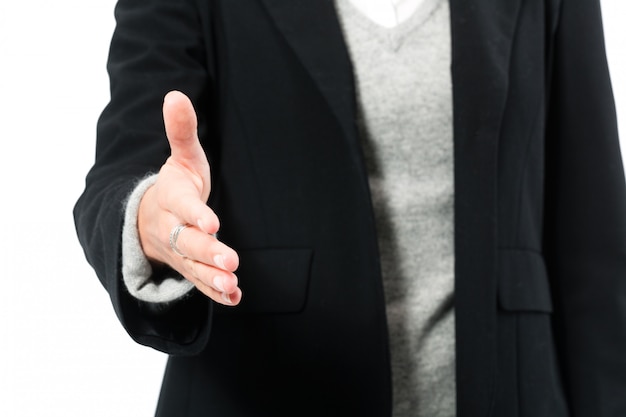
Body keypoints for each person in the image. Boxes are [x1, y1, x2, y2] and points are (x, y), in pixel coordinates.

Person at [73, 0, 626, 415]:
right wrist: (150, 214)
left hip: (514, 391)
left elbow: (594, 247)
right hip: (268, 389)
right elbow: (127, 163)